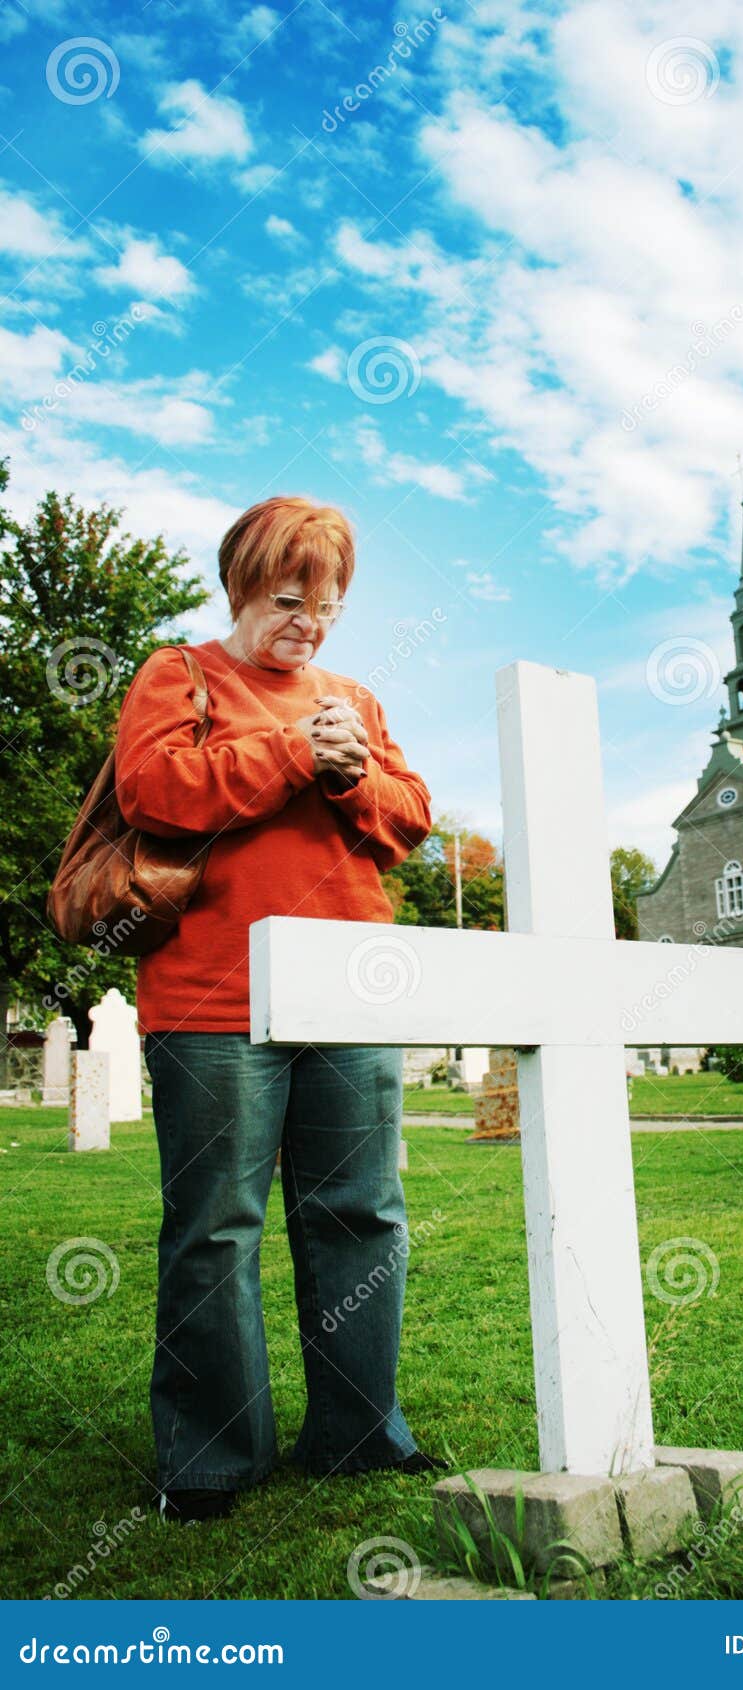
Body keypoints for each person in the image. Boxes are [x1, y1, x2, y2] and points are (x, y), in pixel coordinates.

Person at [114, 495, 442, 1524]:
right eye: (289, 597)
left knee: (360, 1212)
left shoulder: (354, 698)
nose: (308, 619)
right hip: (213, 996)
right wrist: (297, 755)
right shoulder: (181, 677)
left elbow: (410, 820)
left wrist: (349, 774)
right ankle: (212, 1457)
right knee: (216, 1225)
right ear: (242, 588)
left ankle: (359, 1430)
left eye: (328, 603)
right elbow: (155, 790)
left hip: (350, 985)